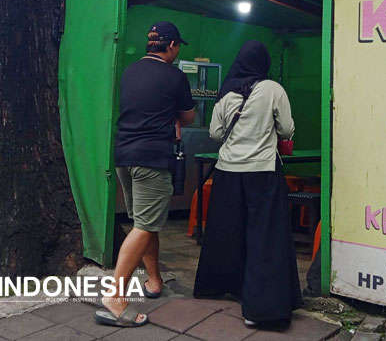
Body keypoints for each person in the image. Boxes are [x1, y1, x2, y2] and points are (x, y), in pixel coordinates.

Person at [193, 40, 301, 327]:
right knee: (264, 237)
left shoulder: (226, 93)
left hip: (227, 172)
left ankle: (219, 286)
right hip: (262, 171)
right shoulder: (273, 90)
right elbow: (287, 129)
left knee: (227, 232)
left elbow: (216, 134)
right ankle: (261, 309)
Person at [95, 21, 195, 328]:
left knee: (144, 222)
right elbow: (188, 117)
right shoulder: (175, 76)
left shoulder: (130, 72)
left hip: (124, 155)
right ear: (172, 45)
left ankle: (154, 281)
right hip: (151, 158)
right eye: (178, 47)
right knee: (146, 225)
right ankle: (115, 296)